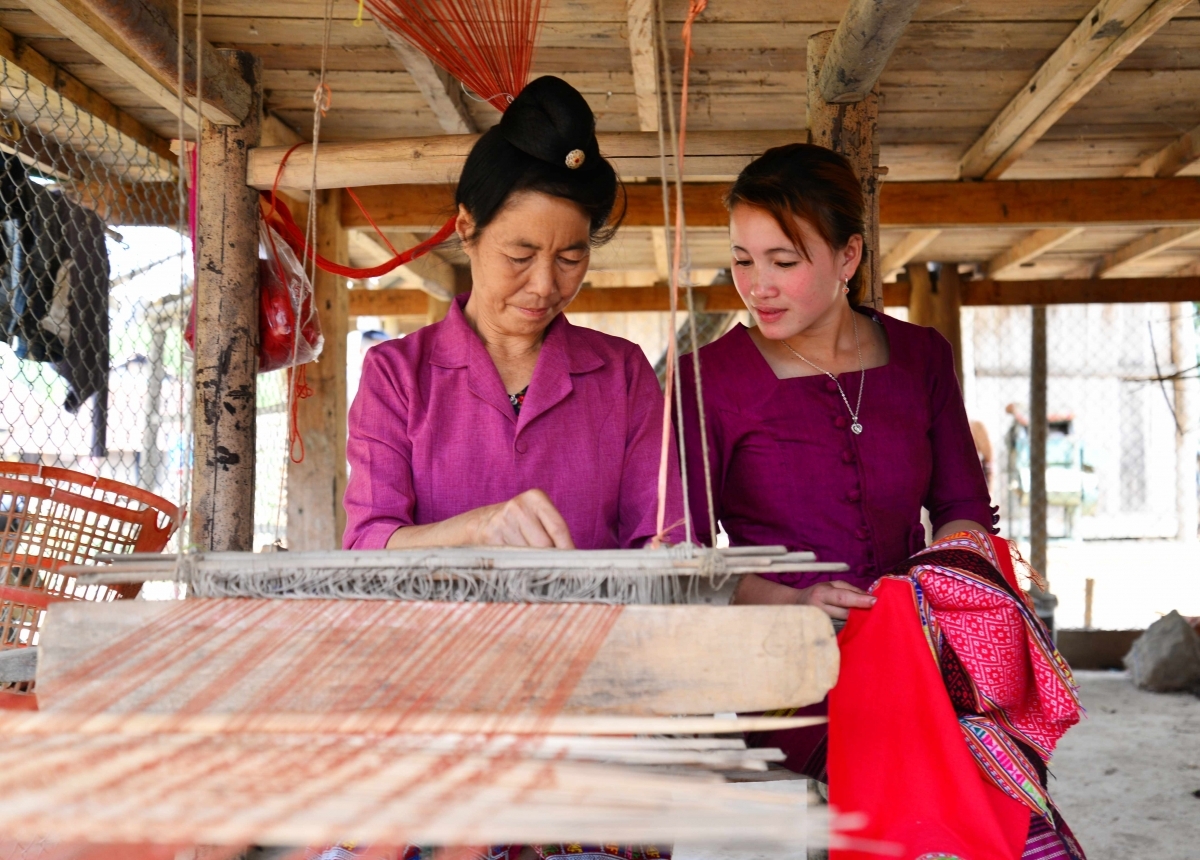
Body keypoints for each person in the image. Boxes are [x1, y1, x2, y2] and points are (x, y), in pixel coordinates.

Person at [677, 142, 997, 776]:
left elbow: (963, 507)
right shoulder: (706, 380)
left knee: (993, 803)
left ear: (848, 255)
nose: (758, 286)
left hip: (922, 658)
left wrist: (934, 594)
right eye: (742, 260)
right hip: (787, 679)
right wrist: (791, 604)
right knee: (878, 793)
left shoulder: (921, 357)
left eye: (783, 261)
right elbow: (681, 555)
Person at [344, 74, 683, 553]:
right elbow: (368, 543)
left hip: (596, 608)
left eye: (570, 258)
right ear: (467, 228)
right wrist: (476, 530)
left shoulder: (621, 374)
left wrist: (666, 554)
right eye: (520, 256)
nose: (545, 285)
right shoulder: (397, 375)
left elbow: (667, 532)